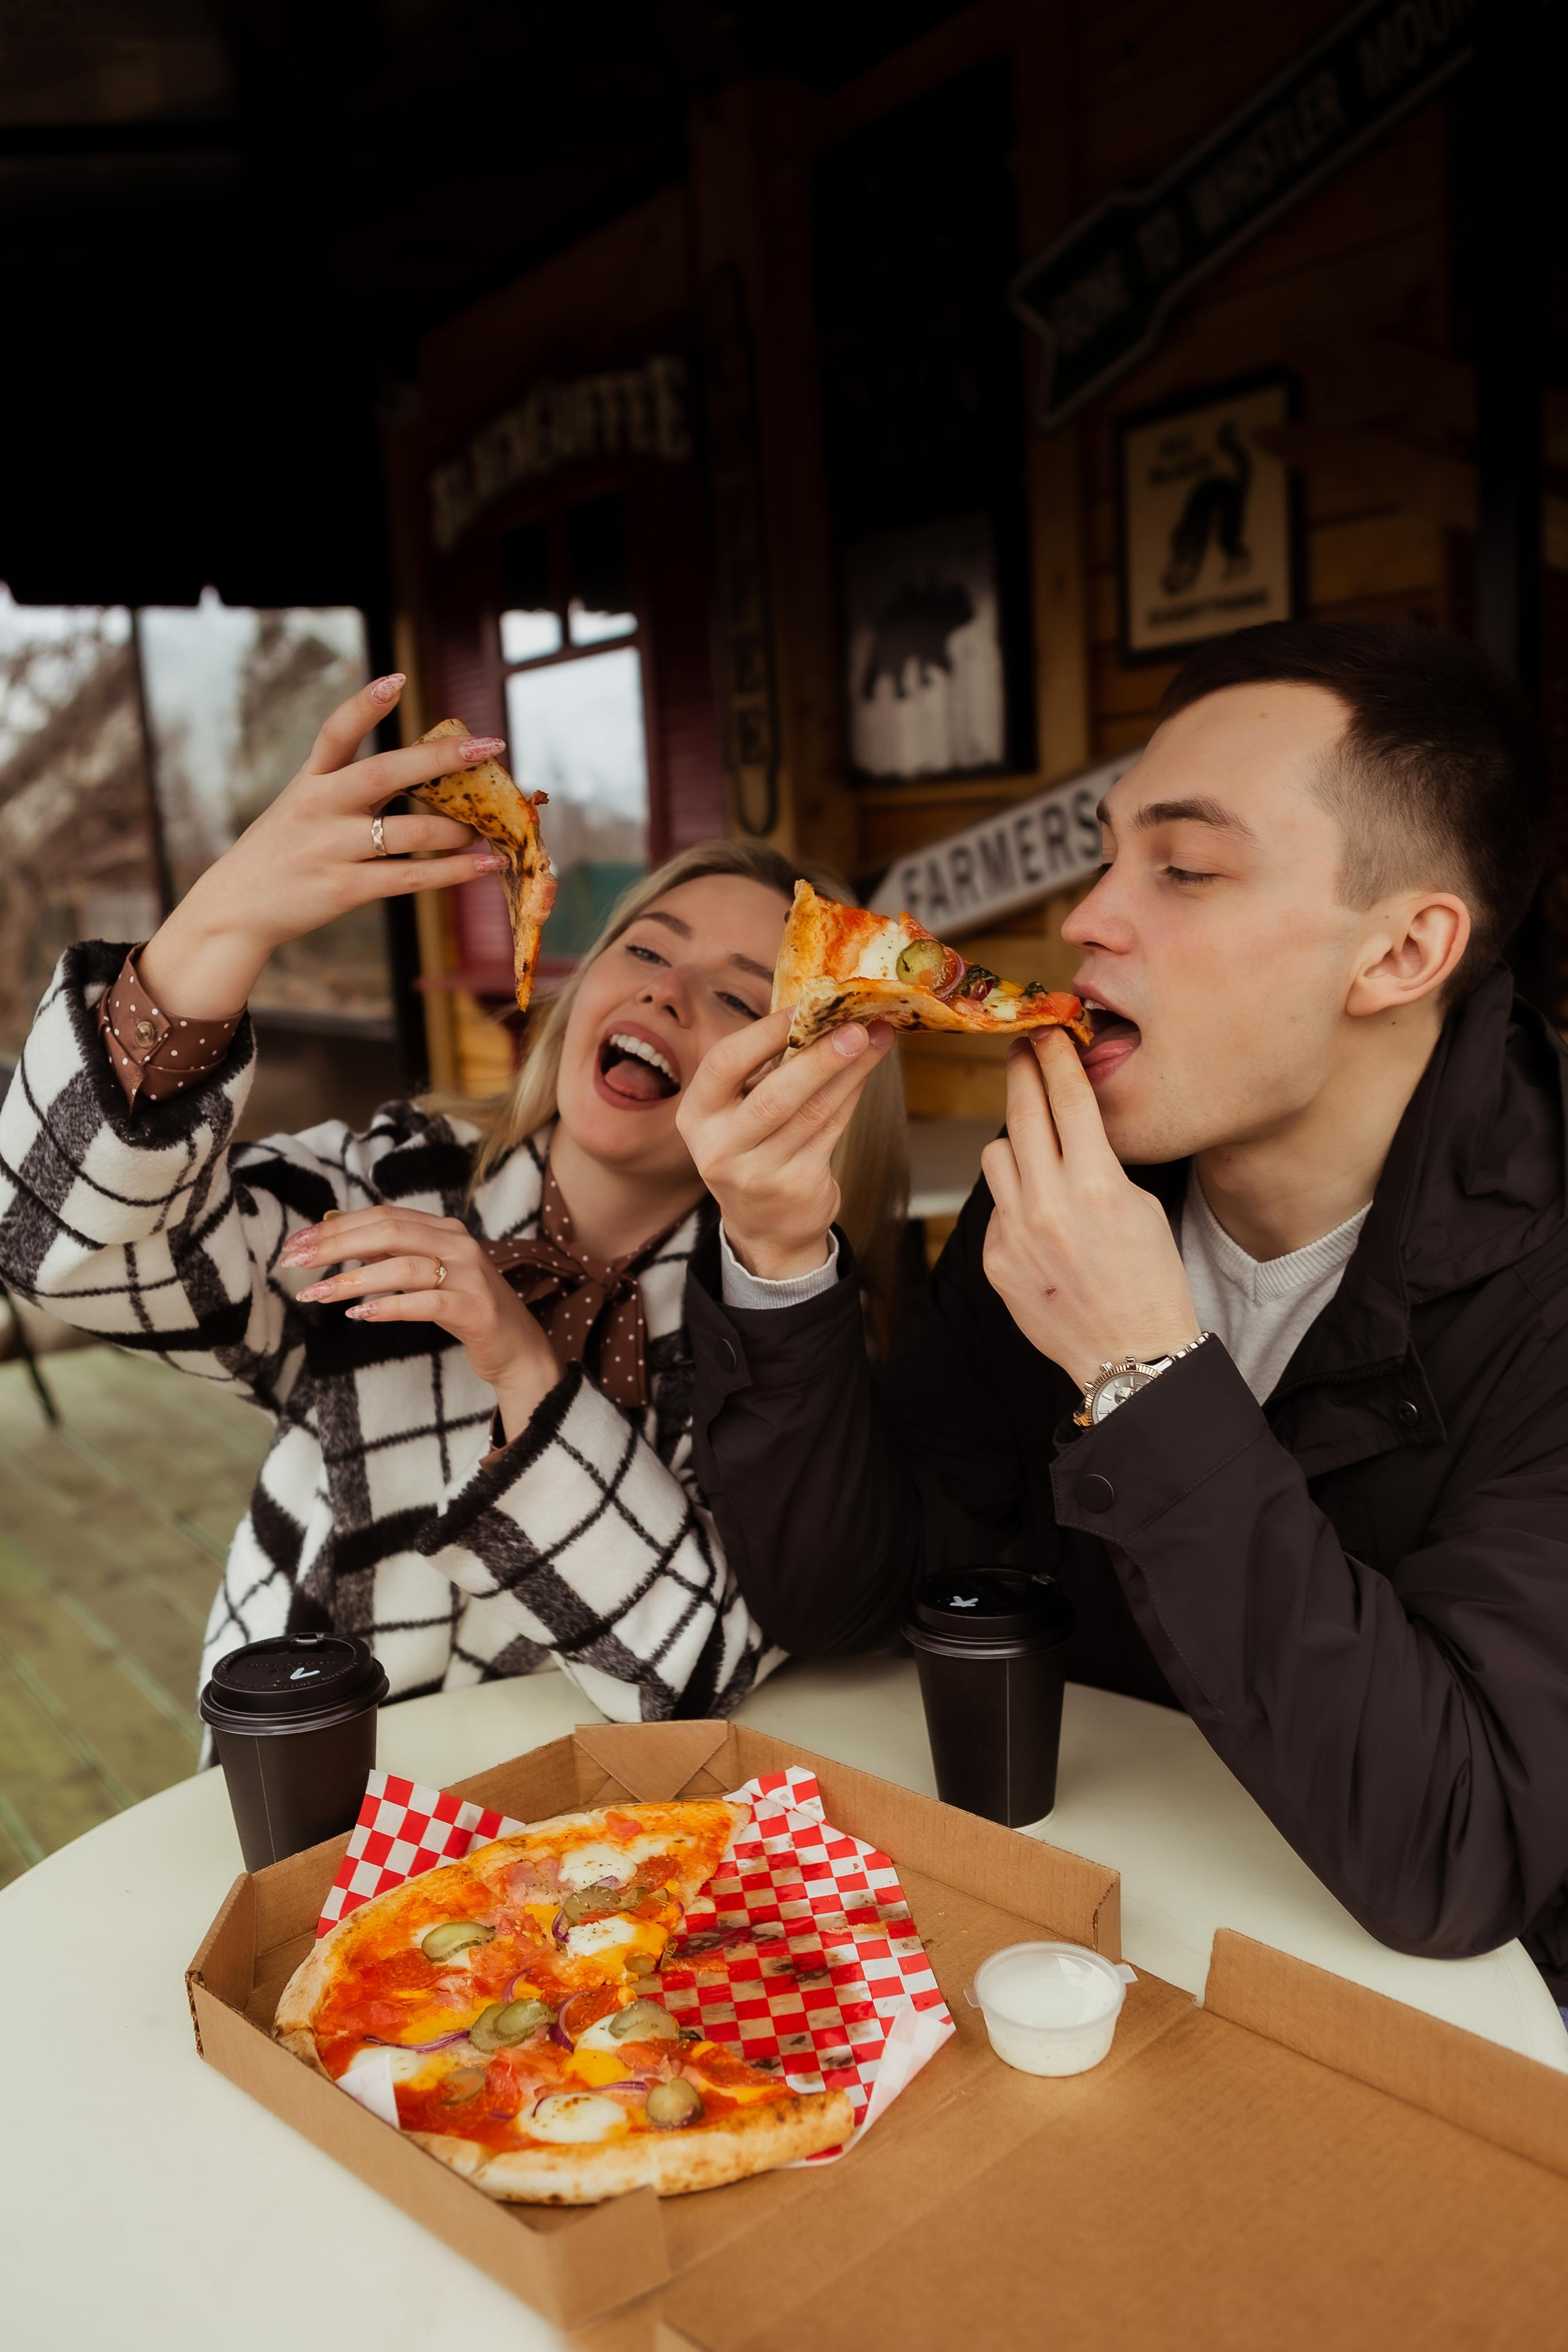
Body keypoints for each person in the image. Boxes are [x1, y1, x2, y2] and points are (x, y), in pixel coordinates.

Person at [677, 619, 1568, 2003]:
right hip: (1076, 1957)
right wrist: (777, 1255)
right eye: (1106, 855)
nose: (1088, 918)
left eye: (1185, 868)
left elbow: (1455, 1849)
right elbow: (853, 1596)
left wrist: (1142, 1369)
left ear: (1400, 953)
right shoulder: (1065, 1192)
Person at [0, 676, 903, 1722]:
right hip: (316, 1796)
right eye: (645, 949)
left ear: (811, 1092)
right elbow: (62, 1248)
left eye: (743, 998)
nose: (667, 991)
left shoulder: (777, 1339)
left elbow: (701, 1668)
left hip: (601, 1844)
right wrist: (215, 932)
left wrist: (523, 1361)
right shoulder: (386, 1184)